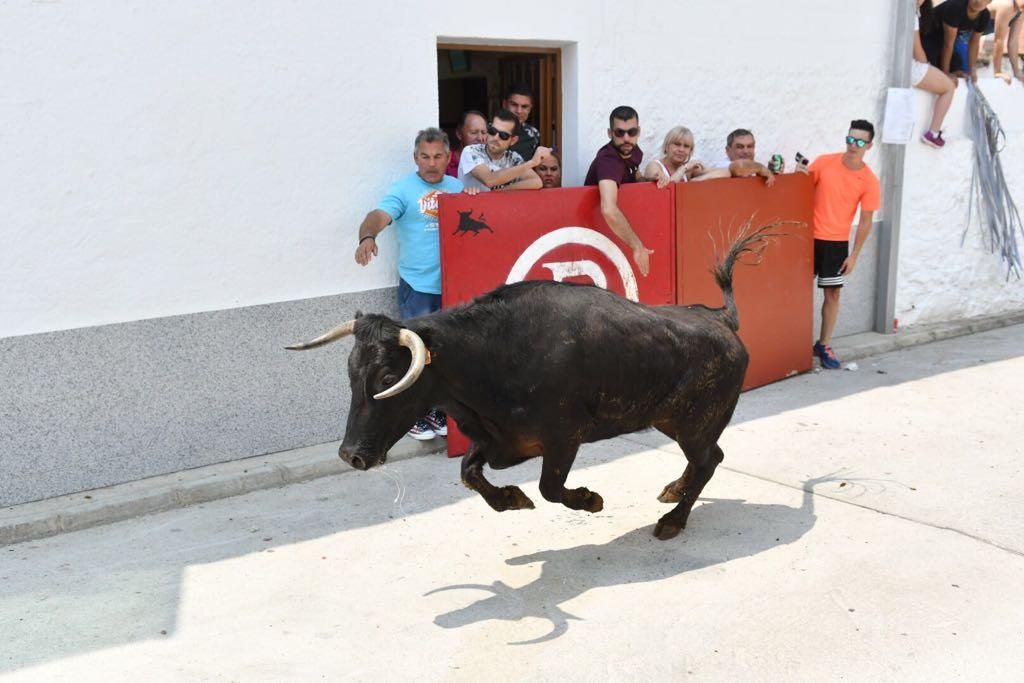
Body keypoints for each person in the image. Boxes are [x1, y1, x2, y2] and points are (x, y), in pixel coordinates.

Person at [354, 127, 477, 440]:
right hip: (418, 286)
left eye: (438, 156)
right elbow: (378, 215)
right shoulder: (404, 189)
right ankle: (415, 417)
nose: (431, 163)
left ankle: (438, 412)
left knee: (445, 353)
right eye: (425, 156)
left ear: (449, 157)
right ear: (415, 158)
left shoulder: (456, 186)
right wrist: (368, 236)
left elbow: (479, 225)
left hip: (454, 285)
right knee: (414, 353)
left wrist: (474, 200)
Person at [796, 120, 881, 370]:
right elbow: (802, 189)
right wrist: (800, 172)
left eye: (859, 142)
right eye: (850, 139)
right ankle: (790, 344)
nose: (853, 145)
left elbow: (866, 221)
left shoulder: (869, 181)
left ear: (869, 145)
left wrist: (854, 255)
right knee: (798, 292)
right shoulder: (825, 162)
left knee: (832, 294)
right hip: (808, 238)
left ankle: (823, 344)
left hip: (836, 244)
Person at [584, 105, 654, 277]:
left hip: (616, 234)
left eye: (632, 132)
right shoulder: (608, 160)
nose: (626, 138)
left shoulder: (634, 152)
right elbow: (608, 209)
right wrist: (637, 246)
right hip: (596, 233)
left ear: (639, 131)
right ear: (610, 133)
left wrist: (649, 180)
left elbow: (633, 175)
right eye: (619, 133)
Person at [457, 109, 549, 192]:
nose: (496, 138)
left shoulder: (513, 157)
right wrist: (532, 163)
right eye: (492, 131)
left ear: (513, 140)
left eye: (503, 135)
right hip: (471, 209)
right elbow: (489, 180)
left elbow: (536, 182)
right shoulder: (471, 151)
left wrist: (503, 191)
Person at [914, 0, 957, 148]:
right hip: (910, 67)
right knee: (949, 87)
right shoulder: (911, 14)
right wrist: (927, 66)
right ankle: (933, 133)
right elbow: (917, 50)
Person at [920, 0, 993, 81]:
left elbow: (974, 43)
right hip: (925, 36)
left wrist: (972, 70)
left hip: (942, 42)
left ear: (989, 1)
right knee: (932, 69)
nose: (979, 1)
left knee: (957, 66)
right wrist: (946, 73)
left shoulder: (984, 15)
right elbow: (948, 44)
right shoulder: (956, 7)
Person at [697, 129, 776, 186]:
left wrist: (772, 173)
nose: (746, 151)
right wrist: (761, 168)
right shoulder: (724, 165)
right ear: (728, 150)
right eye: (740, 147)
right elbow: (739, 167)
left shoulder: (753, 168)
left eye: (750, 146)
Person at [643, 126, 707, 188]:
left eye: (686, 146)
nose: (681, 149)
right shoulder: (654, 166)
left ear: (690, 151)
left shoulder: (689, 171)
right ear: (666, 146)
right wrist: (683, 169)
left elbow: (717, 173)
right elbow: (667, 186)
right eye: (677, 144)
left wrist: (698, 179)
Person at [503, 83, 541, 161]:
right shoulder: (489, 131)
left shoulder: (534, 134)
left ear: (530, 108)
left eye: (524, 106)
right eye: (514, 105)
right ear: (504, 104)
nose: (519, 111)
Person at [989, 0, 1024, 83]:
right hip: (962, 33)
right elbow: (998, 40)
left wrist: (1017, 72)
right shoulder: (1007, 5)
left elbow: (1013, 41)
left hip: (971, 35)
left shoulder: (1020, 10)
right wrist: (998, 72)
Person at [445, 110, 488, 178]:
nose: (480, 138)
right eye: (474, 132)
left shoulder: (492, 161)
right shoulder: (445, 161)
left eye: (483, 132)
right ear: (459, 134)